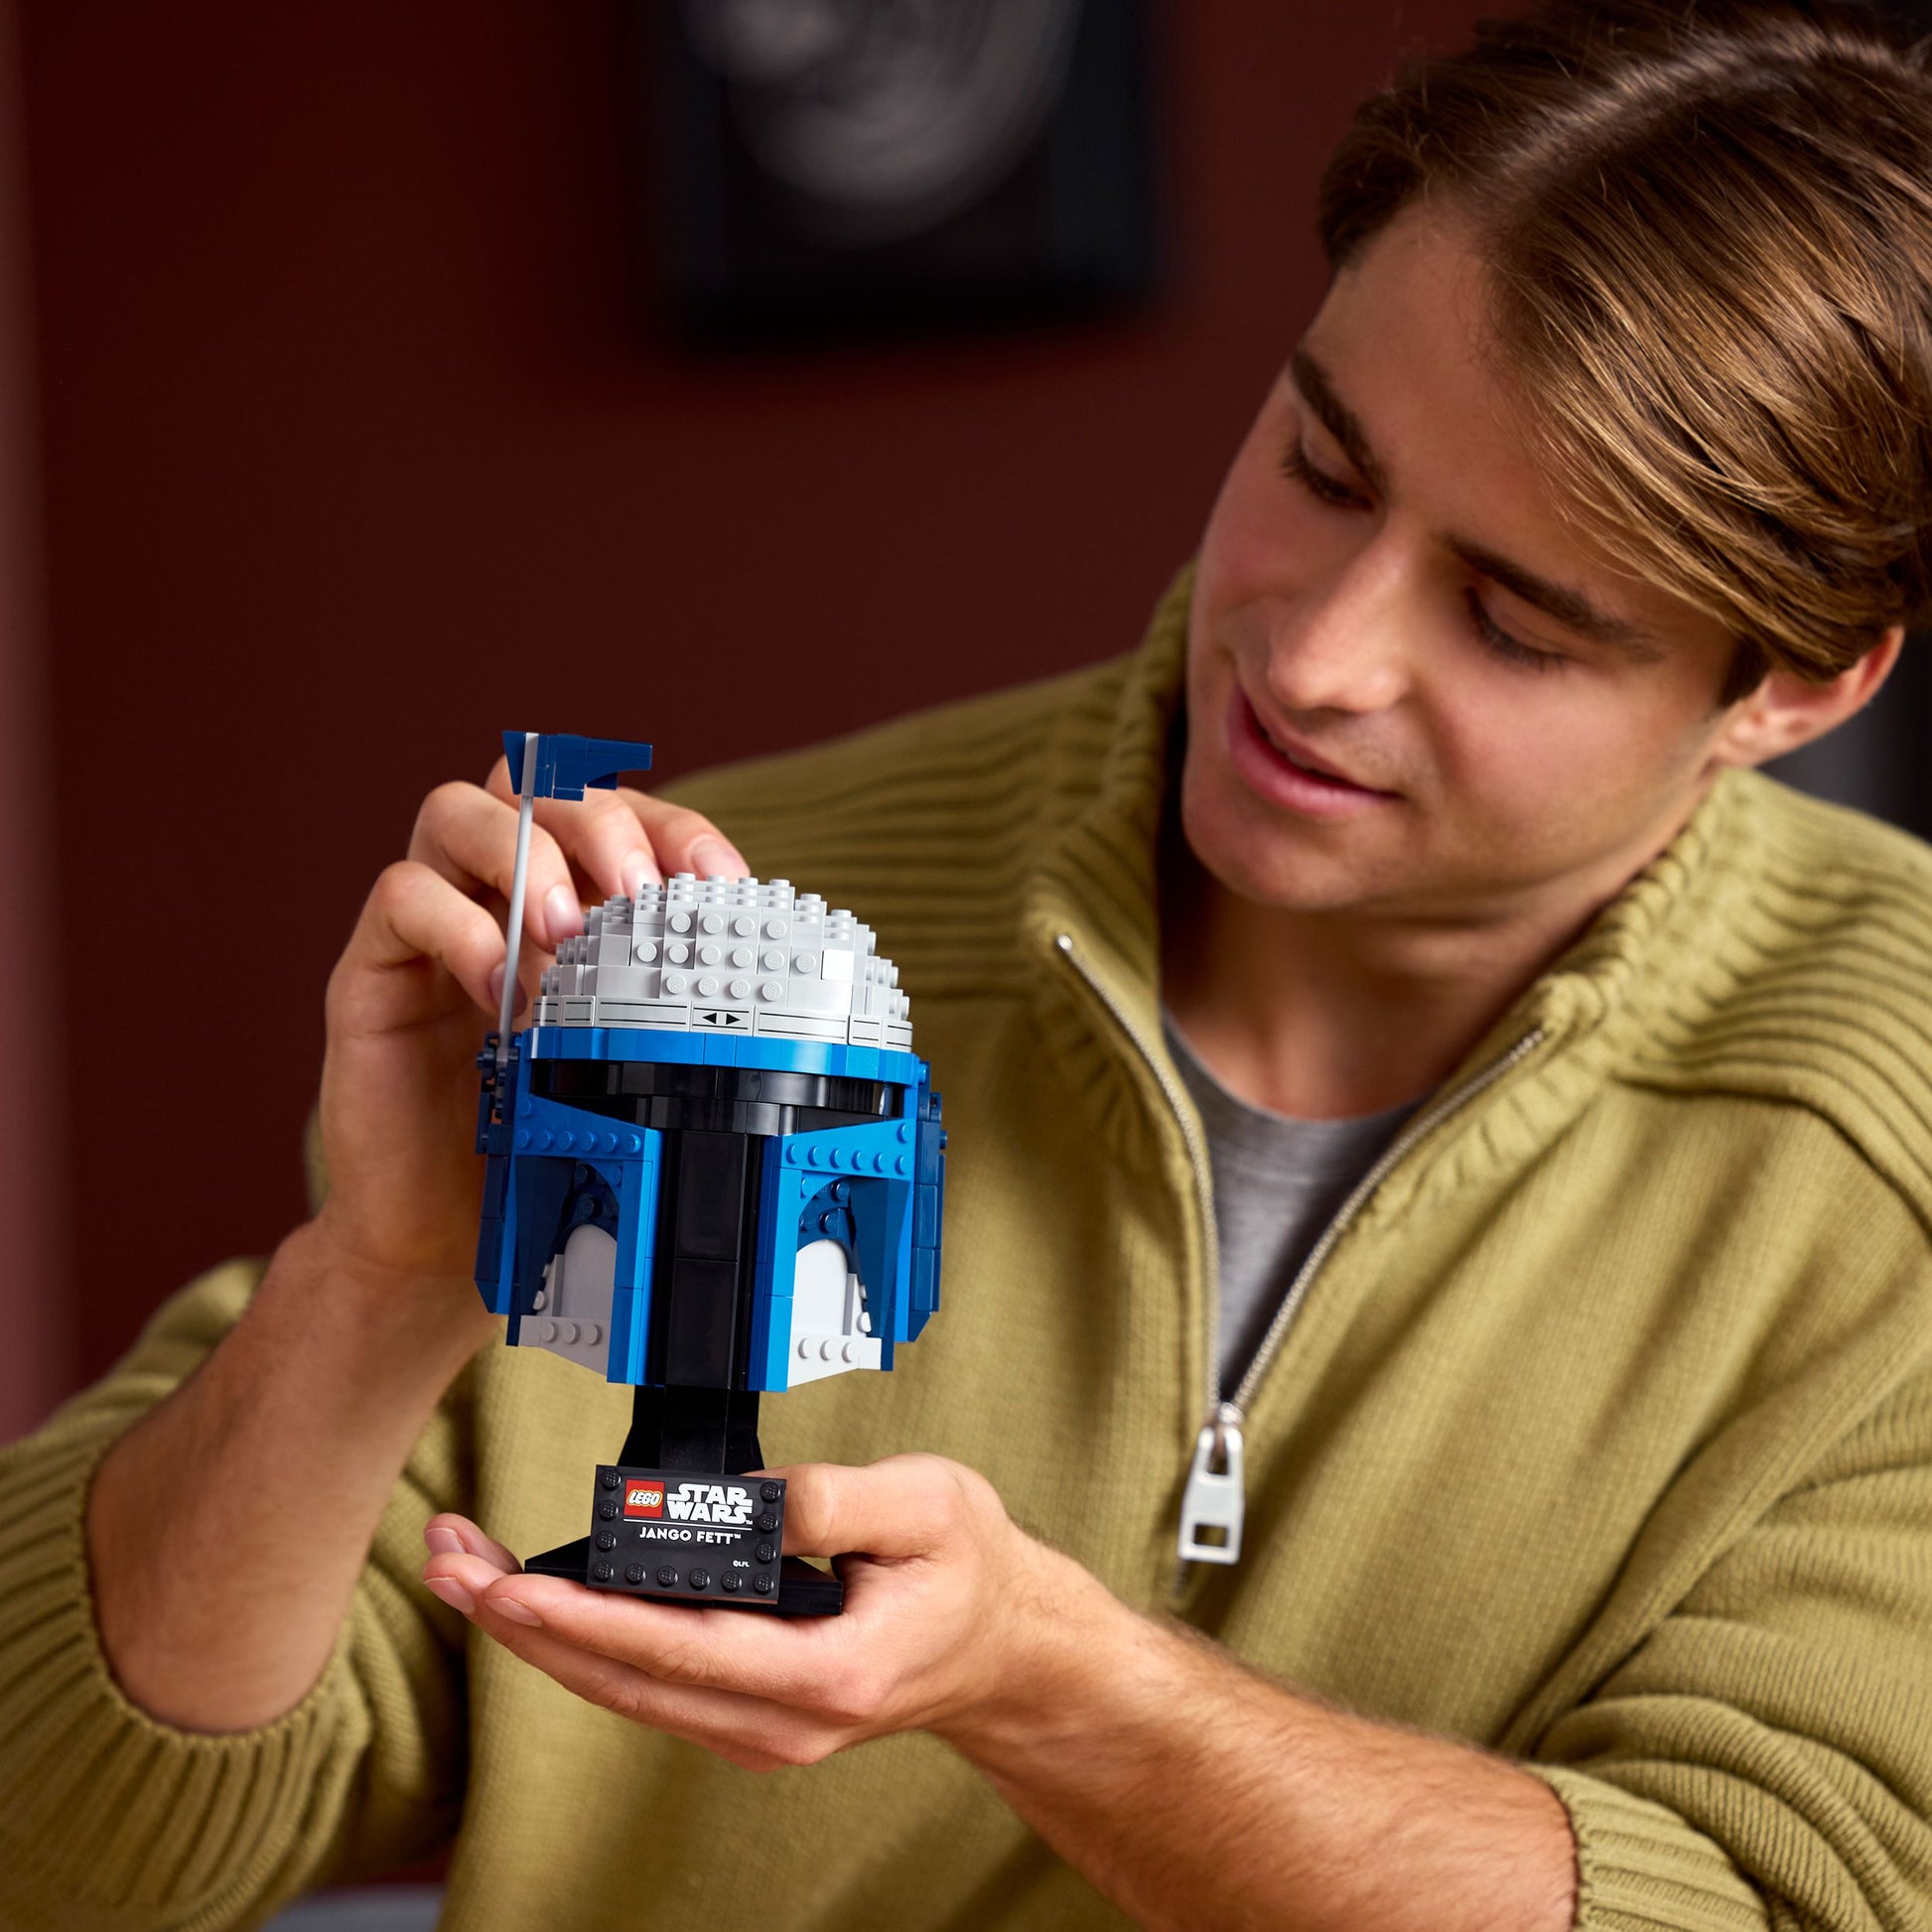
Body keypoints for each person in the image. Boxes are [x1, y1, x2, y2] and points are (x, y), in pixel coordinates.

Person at [6, 1, 1932, 1926]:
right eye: (1324, 467)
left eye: (1512, 620)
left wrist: (1056, 1692)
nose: (1316, 654)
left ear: (1795, 687)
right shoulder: (712, 944)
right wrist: (376, 1284)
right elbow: (65, 1836)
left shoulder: (1892, 1138)